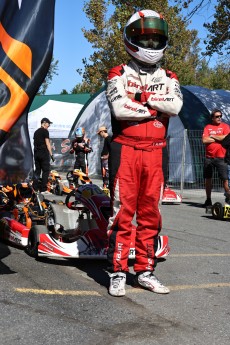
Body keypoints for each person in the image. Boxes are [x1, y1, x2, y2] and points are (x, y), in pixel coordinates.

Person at [106, 9, 183, 297]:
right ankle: (117, 272)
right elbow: (119, 108)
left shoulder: (170, 75)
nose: (151, 45)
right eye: (145, 38)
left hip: (156, 153)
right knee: (122, 214)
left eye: (156, 39)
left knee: (151, 215)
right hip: (126, 149)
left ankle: (145, 270)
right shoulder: (118, 72)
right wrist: (154, 106)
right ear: (131, 38)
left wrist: (141, 97)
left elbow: (175, 106)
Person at [202, 109, 230, 207]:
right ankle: (208, 199)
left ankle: (228, 200)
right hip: (209, 157)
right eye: (217, 116)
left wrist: (213, 136)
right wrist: (219, 138)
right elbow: (204, 140)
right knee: (208, 179)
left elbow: (226, 138)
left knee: (225, 179)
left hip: (221, 157)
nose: (219, 118)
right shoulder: (207, 127)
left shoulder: (225, 126)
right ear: (212, 118)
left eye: (220, 116)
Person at [33, 117, 54, 194]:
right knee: (46, 170)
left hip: (36, 153)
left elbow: (34, 143)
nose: (49, 126)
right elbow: (47, 143)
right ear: (44, 123)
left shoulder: (36, 132)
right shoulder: (45, 131)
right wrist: (51, 154)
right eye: (48, 124)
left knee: (37, 171)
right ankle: (43, 189)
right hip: (43, 153)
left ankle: (35, 188)